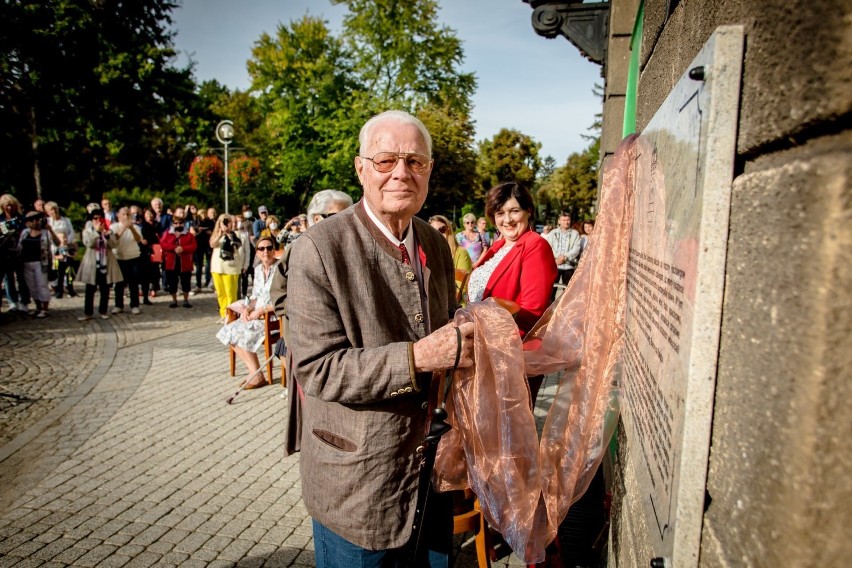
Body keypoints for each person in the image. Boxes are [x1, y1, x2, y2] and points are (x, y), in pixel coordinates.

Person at [286, 110, 475, 567]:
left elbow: (442, 326)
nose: (401, 173)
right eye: (386, 159)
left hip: (430, 472)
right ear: (360, 168)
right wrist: (419, 356)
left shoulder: (433, 239)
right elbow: (317, 370)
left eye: (415, 161)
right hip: (359, 481)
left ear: (430, 170)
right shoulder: (318, 248)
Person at [467, 181, 557, 403]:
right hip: (483, 352)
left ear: (528, 211)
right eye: (500, 213)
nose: (507, 220)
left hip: (509, 358)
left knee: (507, 434)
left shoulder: (535, 246)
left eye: (514, 211)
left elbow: (532, 313)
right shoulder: (498, 247)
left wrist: (490, 348)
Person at [216, 235, 280, 389]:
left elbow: (285, 298)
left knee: (243, 333)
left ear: (274, 250)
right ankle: (255, 372)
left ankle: (256, 375)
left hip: (273, 316)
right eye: (261, 248)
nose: (266, 251)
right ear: (257, 252)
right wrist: (248, 308)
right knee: (229, 331)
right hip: (257, 315)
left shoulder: (281, 269)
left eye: (269, 248)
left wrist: (261, 311)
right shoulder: (258, 270)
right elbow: (255, 297)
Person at [77, 208, 122, 321]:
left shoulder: (108, 231)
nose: (97, 220)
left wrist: (106, 235)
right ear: (91, 220)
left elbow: (114, 245)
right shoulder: (87, 231)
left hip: (105, 263)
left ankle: (103, 310)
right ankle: (88, 312)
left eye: (99, 218)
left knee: (105, 289)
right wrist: (97, 232)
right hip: (92, 263)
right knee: (90, 289)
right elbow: (89, 243)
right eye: (95, 218)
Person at [18, 211, 59, 318]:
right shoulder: (25, 233)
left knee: (42, 285)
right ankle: (38, 307)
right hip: (27, 262)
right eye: (32, 220)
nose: (35, 222)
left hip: (41, 262)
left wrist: (51, 230)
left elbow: (57, 243)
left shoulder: (45, 232)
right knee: (32, 286)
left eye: (37, 220)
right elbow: (19, 247)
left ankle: (45, 308)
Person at [429, 214, 472, 303]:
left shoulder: (461, 253)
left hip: (455, 307)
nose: (438, 234)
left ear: (449, 229)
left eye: (442, 230)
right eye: (433, 231)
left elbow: (460, 289)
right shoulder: (429, 254)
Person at [159, 209, 197, 309]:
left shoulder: (188, 234)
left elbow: (193, 246)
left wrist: (183, 248)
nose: (178, 225)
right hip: (171, 262)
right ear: (173, 224)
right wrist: (173, 248)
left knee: (185, 282)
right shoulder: (168, 233)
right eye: (176, 223)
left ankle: (186, 300)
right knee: (172, 282)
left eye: (180, 223)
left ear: (183, 223)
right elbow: (162, 244)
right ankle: (174, 300)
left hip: (185, 262)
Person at [210, 213, 244, 319]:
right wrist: (220, 234)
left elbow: (237, 245)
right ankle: (223, 315)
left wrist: (229, 234)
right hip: (217, 267)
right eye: (224, 222)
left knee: (231, 293)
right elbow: (212, 244)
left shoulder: (235, 234)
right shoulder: (216, 233)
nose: (226, 224)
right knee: (221, 293)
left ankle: (231, 315)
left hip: (231, 268)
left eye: (228, 222)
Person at [111, 207, 144, 314]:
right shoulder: (114, 227)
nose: (126, 217)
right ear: (118, 215)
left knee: (133, 283)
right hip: (119, 258)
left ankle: (134, 305)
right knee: (119, 283)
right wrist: (123, 228)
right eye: (124, 214)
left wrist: (132, 229)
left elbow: (139, 239)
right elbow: (114, 239)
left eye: (128, 214)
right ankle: (118, 305)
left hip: (133, 257)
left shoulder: (136, 227)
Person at [1, 193, 31, 313]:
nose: (9, 208)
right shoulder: (0, 218)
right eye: (7, 205)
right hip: (4, 251)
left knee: (22, 277)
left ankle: (24, 301)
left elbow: (24, 232)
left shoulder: (20, 218)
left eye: (12, 205)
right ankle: (12, 301)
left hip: (19, 251)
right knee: (8, 278)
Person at [44, 202, 77, 298]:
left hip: (66, 246)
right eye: (50, 210)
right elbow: (47, 235)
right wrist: (57, 241)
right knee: (58, 269)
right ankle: (57, 288)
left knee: (69, 270)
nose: (53, 211)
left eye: (54, 209)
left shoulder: (66, 220)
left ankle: (70, 288)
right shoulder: (48, 222)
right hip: (54, 247)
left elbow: (71, 232)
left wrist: (66, 242)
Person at [545, 211, 582, 293]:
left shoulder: (575, 233)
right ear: (559, 221)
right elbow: (549, 247)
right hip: (555, 265)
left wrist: (565, 257)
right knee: (551, 290)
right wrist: (558, 258)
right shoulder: (553, 233)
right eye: (564, 220)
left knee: (568, 291)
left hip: (569, 265)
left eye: (568, 220)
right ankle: (551, 306)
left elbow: (576, 248)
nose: (566, 222)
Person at [192, 207, 216, 293]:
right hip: (198, 244)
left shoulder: (210, 222)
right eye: (201, 213)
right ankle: (198, 284)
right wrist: (198, 231)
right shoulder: (195, 221)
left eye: (204, 213)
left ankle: (208, 281)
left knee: (209, 263)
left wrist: (209, 232)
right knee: (199, 265)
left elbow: (214, 231)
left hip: (207, 244)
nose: (203, 215)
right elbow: (193, 232)